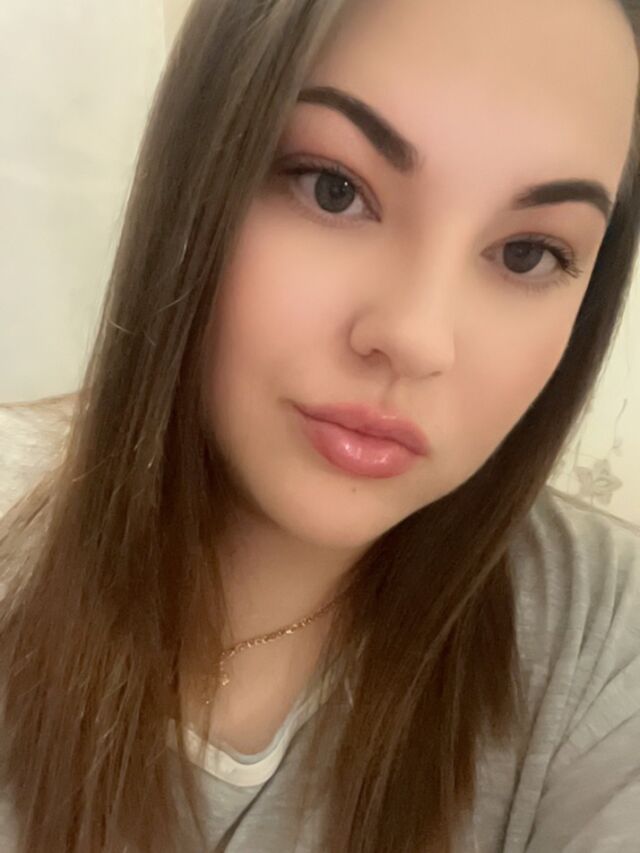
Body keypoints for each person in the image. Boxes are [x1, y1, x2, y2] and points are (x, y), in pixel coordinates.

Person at [1, 0, 640, 850]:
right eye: (333, 189)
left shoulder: (602, 638)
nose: (416, 337)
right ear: (201, 168)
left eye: (529, 253)